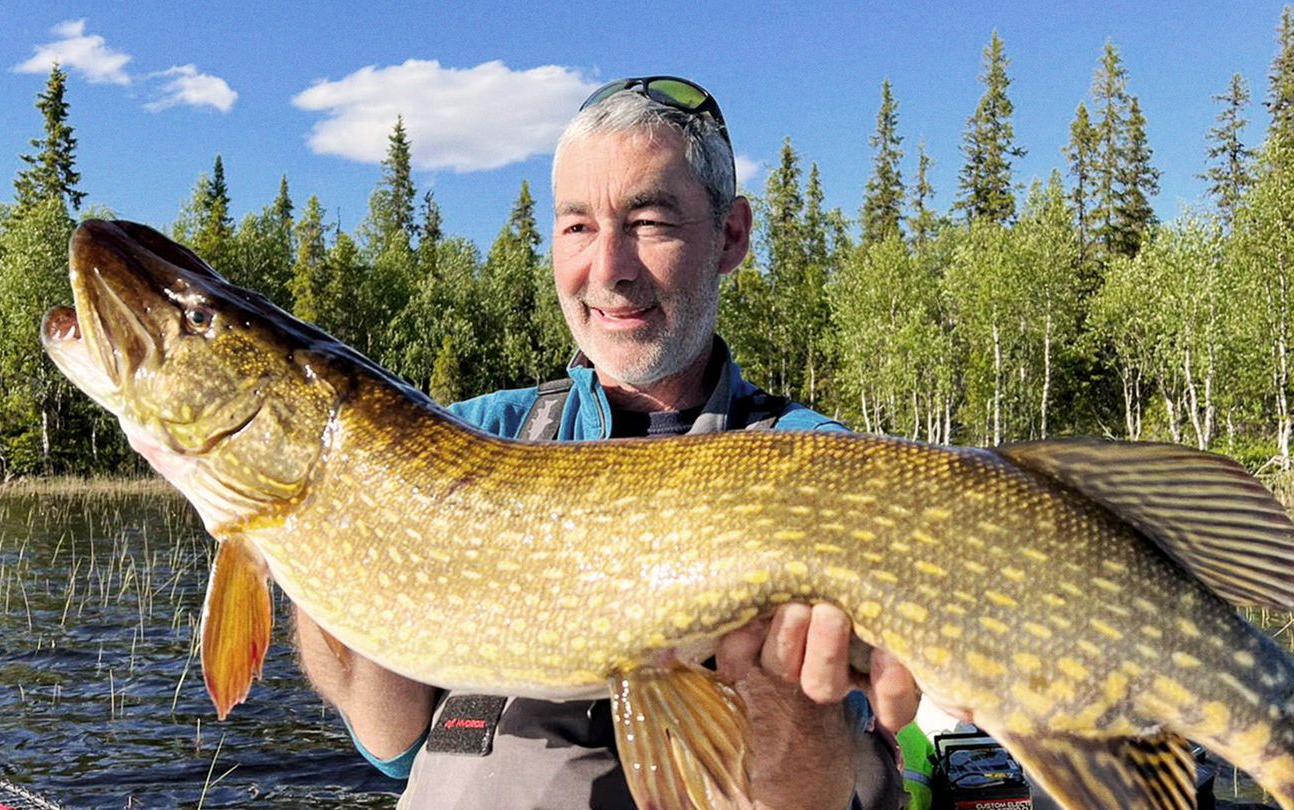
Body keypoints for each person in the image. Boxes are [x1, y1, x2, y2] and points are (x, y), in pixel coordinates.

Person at [295, 75, 921, 810]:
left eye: (649, 222)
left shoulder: (812, 462)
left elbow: (820, 798)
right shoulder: (467, 435)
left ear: (732, 236)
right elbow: (391, 741)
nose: (609, 270)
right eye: (577, 227)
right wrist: (314, 534)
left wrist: (788, 694)